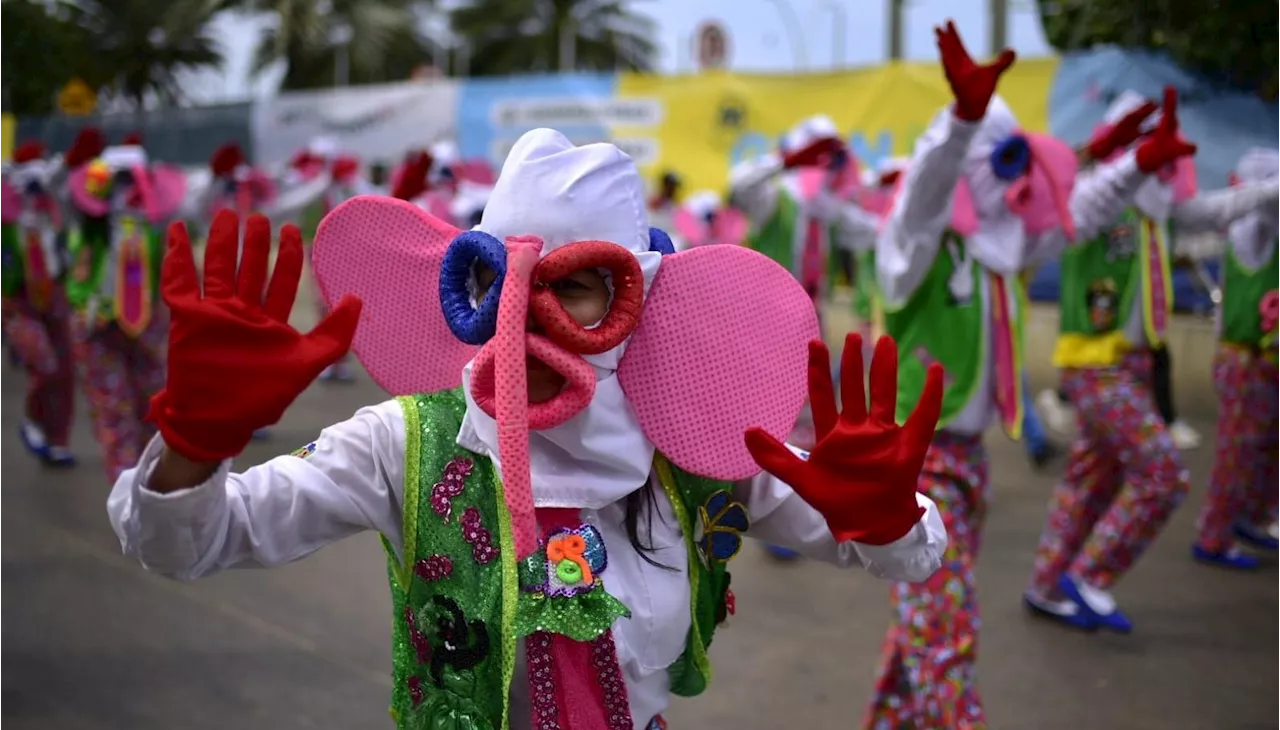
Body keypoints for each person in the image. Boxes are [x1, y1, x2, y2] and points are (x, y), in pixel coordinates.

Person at [109, 129, 947, 730]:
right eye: (500, 277)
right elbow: (185, 545)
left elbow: (910, 561)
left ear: (641, 300)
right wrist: (194, 442)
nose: (524, 316)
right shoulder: (408, 443)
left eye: (576, 284)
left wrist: (884, 514)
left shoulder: (693, 447)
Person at [866, 22, 1135, 728]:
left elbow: (1078, 212)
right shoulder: (914, 247)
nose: (1012, 176)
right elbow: (924, 199)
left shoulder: (999, 247)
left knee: (925, 624)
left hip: (972, 462)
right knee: (945, 633)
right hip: (916, 470)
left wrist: (1129, 164)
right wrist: (958, 126)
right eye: (1003, 158)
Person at [1026, 86, 1280, 632]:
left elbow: (1217, 210)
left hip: (1135, 367)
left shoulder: (1158, 211)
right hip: (1096, 365)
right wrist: (1132, 159)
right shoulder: (1094, 202)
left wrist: (1266, 192)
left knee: (1088, 482)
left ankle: (1045, 586)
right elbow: (1083, 200)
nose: (1162, 160)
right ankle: (1090, 574)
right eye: (1149, 145)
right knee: (1164, 473)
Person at [64, 140, 185, 482]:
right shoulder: (88, 221)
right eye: (118, 180)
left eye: (132, 180)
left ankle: (153, 484)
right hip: (96, 325)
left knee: (156, 406)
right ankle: (127, 491)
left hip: (147, 324)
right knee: (114, 411)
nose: (125, 190)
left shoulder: (157, 221)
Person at [1191, 147, 1280, 569]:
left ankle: (1248, 519)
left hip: (1260, 361)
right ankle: (1213, 538)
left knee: (1263, 452)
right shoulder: (1255, 230)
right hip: (1246, 362)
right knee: (1235, 455)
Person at [0, 140, 78, 466]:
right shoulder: (7, 203)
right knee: (43, 363)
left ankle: (56, 439)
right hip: (16, 296)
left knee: (65, 368)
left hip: (54, 290)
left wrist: (72, 158)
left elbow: (60, 179)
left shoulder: (52, 202)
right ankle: (33, 422)